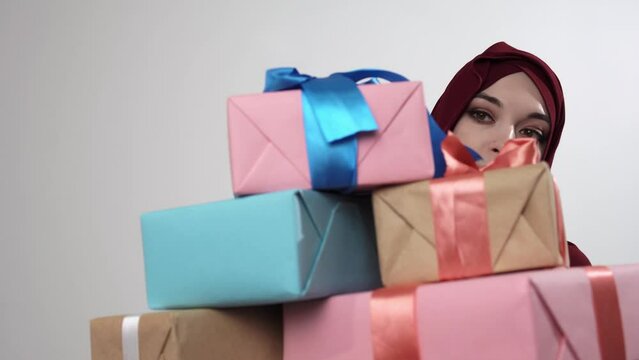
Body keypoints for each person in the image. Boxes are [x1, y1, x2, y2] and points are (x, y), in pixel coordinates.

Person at [431, 41, 591, 266]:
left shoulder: (567, 266)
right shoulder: (379, 234)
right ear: (447, 120)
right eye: (482, 115)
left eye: (530, 132)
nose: (506, 144)